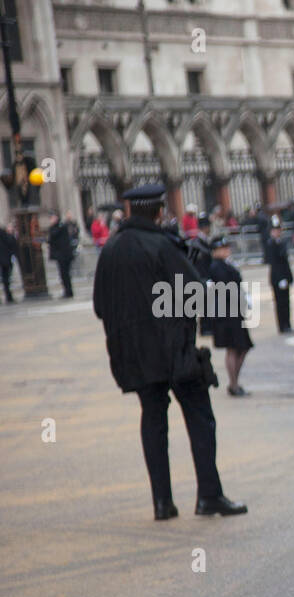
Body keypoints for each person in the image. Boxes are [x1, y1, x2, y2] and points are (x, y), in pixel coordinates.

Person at [92, 184, 247, 520]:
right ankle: (209, 495)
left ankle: (162, 503)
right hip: (172, 350)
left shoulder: (111, 249)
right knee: (200, 417)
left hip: (132, 355)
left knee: (153, 420)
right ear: (160, 212)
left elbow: (100, 307)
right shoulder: (163, 246)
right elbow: (197, 296)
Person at [208, 236, 254, 397]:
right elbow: (225, 289)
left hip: (233, 311)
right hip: (227, 313)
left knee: (241, 347)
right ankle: (233, 384)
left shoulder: (226, 264)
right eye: (224, 248)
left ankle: (235, 382)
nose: (227, 250)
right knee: (233, 348)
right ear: (216, 251)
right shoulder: (216, 267)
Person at [266, 215, 294, 334]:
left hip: (284, 276)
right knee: (280, 303)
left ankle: (287, 324)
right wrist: (280, 279)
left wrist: (289, 277)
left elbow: (285, 262)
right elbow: (274, 263)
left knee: (286, 302)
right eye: (275, 230)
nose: (277, 232)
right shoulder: (271, 244)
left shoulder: (281, 242)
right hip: (277, 278)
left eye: (278, 230)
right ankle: (282, 326)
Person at [47, 211, 77, 298]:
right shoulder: (58, 227)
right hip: (61, 255)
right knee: (64, 274)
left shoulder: (60, 226)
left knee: (65, 274)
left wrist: (52, 226)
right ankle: (67, 291)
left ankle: (68, 291)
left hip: (64, 255)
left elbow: (53, 236)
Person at [0, 222, 17, 303]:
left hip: (4, 259)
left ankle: (8, 297)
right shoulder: (3, 233)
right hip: (4, 260)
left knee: (6, 279)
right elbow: (10, 243)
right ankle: (8, 297)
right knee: (6, 279)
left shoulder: (3, 232)